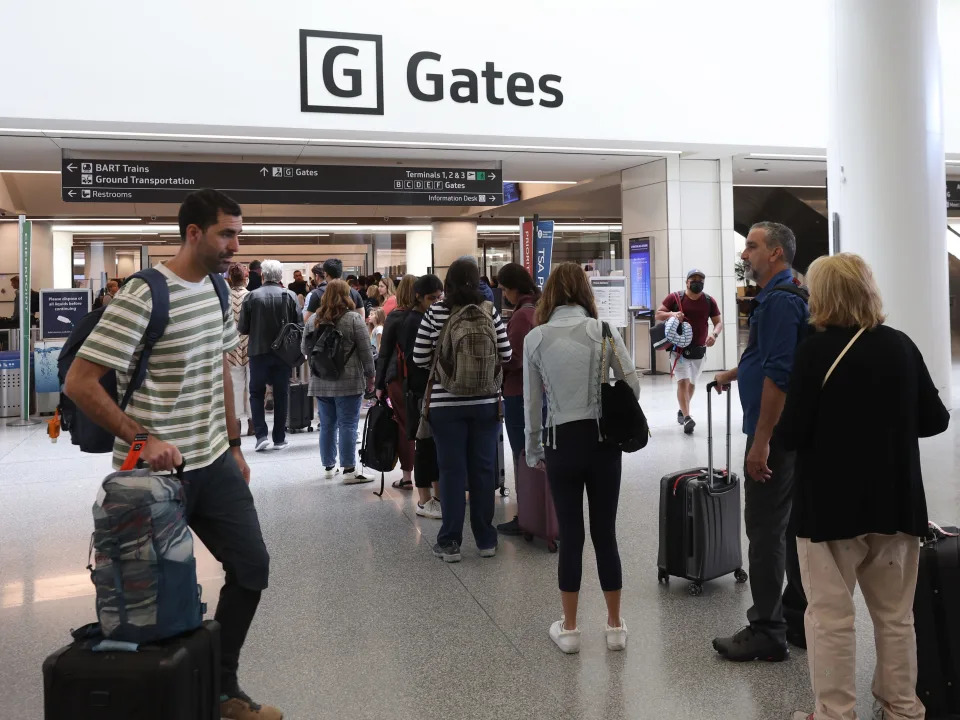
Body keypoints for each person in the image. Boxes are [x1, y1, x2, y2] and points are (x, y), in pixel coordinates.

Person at [63, 188, 281, 720]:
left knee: (252, 567)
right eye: (227, 233)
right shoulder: (144, 294)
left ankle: (221, 689)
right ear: (194, 233)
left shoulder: (215, 289)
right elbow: (79, 382)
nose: (237, 244)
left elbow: (220, 371)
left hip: (212, 464)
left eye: (239, 233)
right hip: (151, 478)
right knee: (148, 597)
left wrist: (233, 444)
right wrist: (143, 440)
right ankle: (154, 700)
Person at [780, 254, 949, 720]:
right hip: (896, 505)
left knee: (831, 618)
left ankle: (835, 713)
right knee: (896, 617)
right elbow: (936, 421)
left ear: (824, 296)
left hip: (829, 510)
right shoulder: (900, 346)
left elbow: (791, 434)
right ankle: (902, 708)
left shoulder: (814, 351)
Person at [523, 262, 638, 655]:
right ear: (585, 292)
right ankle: (614, 626)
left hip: (560, 444)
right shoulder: (603, 331)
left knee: (571, 534)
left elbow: (531, 402)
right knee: (605, 534)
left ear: (550, 293)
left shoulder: (535, 338)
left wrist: (533, 448)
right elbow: (632, 383)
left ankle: (570, 629)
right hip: (603, 442)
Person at [711, 221, 809, 662]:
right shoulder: (776, 297)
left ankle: (768, 629)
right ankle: (796, 618)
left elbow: (780, 375)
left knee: (767, 529)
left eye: (751, 247)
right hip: (782, 430)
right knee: (786, 527)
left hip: (774, 433)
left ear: (775, 254)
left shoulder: (782, 302)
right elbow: (763, 358)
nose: (745, 254)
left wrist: (761, 442)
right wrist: (733, 375)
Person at [414, 258, 511, 562]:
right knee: (483, 470)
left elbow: (418, 357)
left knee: (452, 471)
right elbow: (506, 353)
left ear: (448, 283)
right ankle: (485, 540)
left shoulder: (436, 311)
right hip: (486, 403)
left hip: (446, 405)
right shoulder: (489, 310)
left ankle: (450, 541)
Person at [302, 279, 375, 484]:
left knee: (327, 425)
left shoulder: (313, 319)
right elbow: (365, 352)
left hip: (321, 381)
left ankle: (328, 467)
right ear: (347, 295)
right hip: (349, 381)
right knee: (348, 424)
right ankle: (349, 470)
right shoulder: (353, 319)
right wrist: (371, 376)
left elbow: (303, 349)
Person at [493, 263, 540, 536]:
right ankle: (537, 510)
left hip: (518, 393)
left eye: (503, 289)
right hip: (536, 392)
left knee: (522, 454)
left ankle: (527, 513)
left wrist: (495, 362)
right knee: (533, 452)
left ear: (512, 289)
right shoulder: (538, 309)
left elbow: (515, 358)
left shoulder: (522, 316)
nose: (504, 295)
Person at [238, 259, 301, 452]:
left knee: (256, 393)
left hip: (258, 352)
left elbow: (243, 328)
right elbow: (299, 325)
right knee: (281, 394)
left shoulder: (251, 297)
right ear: (280, 277)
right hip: (283, 354)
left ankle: (261, 435)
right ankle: (279, 438)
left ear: (263, 276)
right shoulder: (289, 296)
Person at [655, 269, 722, 434]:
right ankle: (687, 417)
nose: (697, 282)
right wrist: (672, 314)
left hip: (699, 350)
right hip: (679, 350)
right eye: (694, 279)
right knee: (682, 382)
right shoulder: (676, 298)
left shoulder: (708, 301)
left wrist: (714, 334)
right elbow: (658, 314)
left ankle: (682, 409)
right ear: (687, 282)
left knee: (691, 384)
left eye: (700, 279)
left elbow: (718, 322)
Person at [400, 274, 444, 517]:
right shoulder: (414, 321)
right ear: (419, 296)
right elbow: (415, 360)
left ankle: (436, 496)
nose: (436, 302)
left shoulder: (426, 316)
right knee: (425, 446)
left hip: (427, 388)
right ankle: (425, 499)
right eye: (432, 298)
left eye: (439, 297)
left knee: (431, 445)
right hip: (420, 390)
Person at [374, 274, 417, 489]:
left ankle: (407, 476)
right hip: (423, 377)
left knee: (403, 424)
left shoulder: (396, 316)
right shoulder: (426, 315)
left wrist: (379, 385)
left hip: (398, 377)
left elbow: (385, 352)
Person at [227, 263, 253, 437]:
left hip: (231, 348)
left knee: (235, 387)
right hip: (251, 347)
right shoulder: (252, 297)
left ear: (229, 279)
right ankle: (253, 424)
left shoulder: (224, 297)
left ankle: (235, 425)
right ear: (246, 278)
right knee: (252, 387)